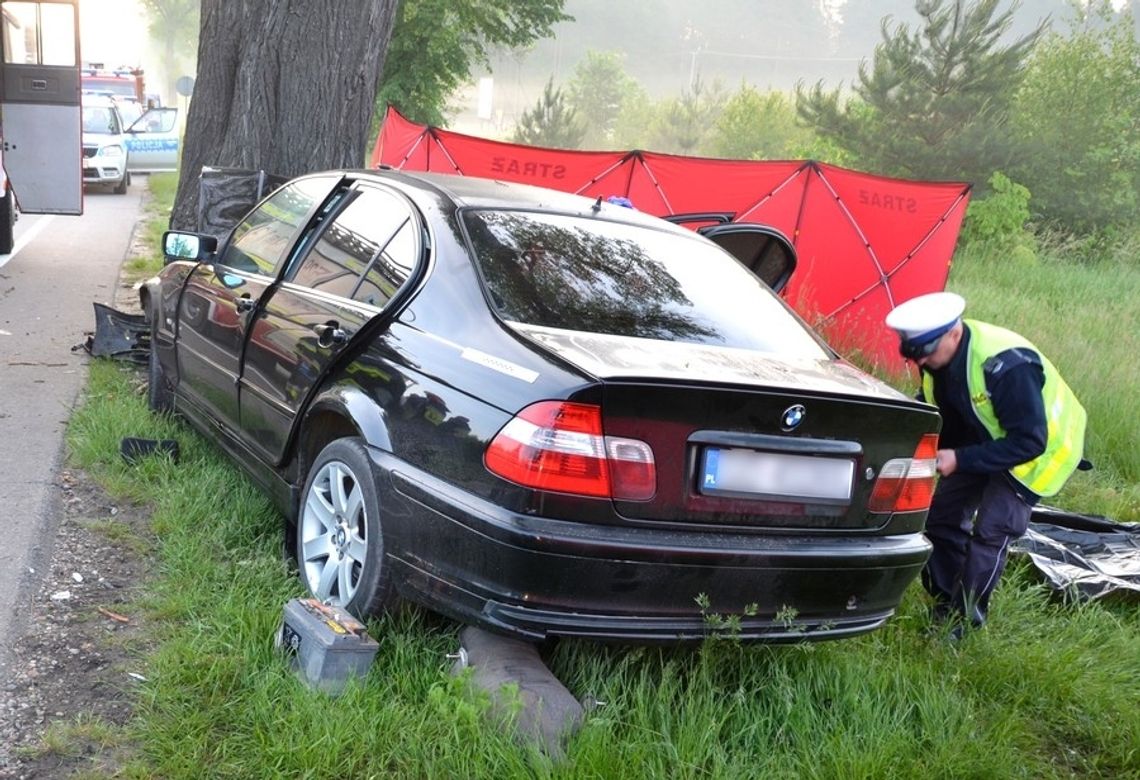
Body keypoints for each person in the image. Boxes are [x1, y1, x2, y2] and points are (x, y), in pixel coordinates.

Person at [885, 291, 1088, 636]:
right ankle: (946, 602)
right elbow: (948, 405)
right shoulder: (937, 359)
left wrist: (960, 458)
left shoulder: (1006, 366)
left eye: (927, 352)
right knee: (941, 517)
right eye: (914, 355)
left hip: (1039, 453)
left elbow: (1029, 440)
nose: (921, 363)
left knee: (991, 530)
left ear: (954, 333)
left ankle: (964, 622)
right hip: (988, 440)